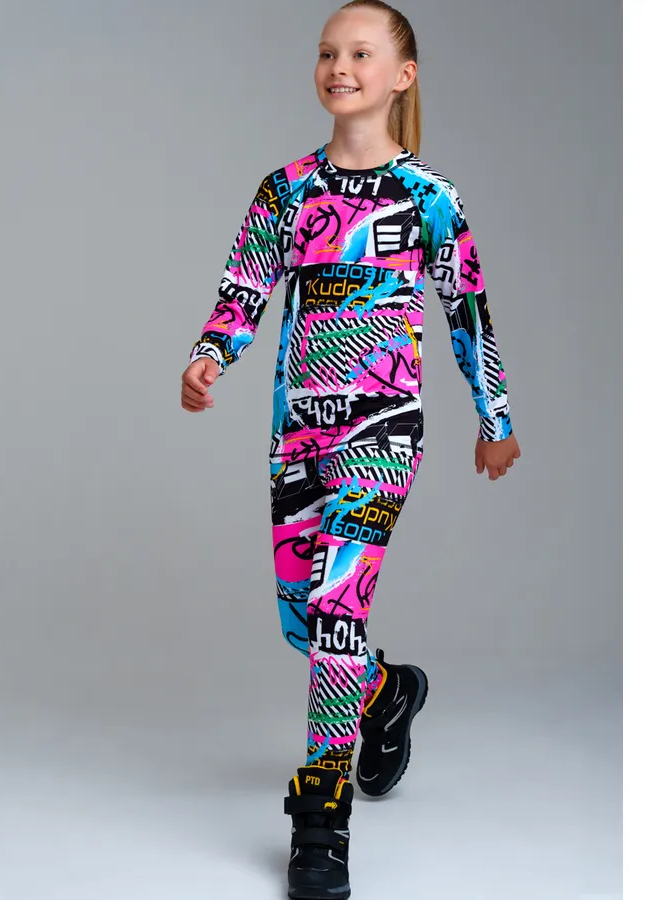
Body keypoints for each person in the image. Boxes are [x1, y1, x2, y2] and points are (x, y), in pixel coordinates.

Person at [181, 2, 521, 896]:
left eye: (361, 53)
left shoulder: (430, 198)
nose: (340, 66)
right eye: (328, 52)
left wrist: (495, 419)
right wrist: (211, 354)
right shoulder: (286, 190)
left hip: (382, 434)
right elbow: (244, 287)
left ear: (401, 76)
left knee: (338, 607)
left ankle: (320, 822)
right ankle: (387, 691)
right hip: (298, 432)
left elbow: (468, 311)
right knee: (304, 620)